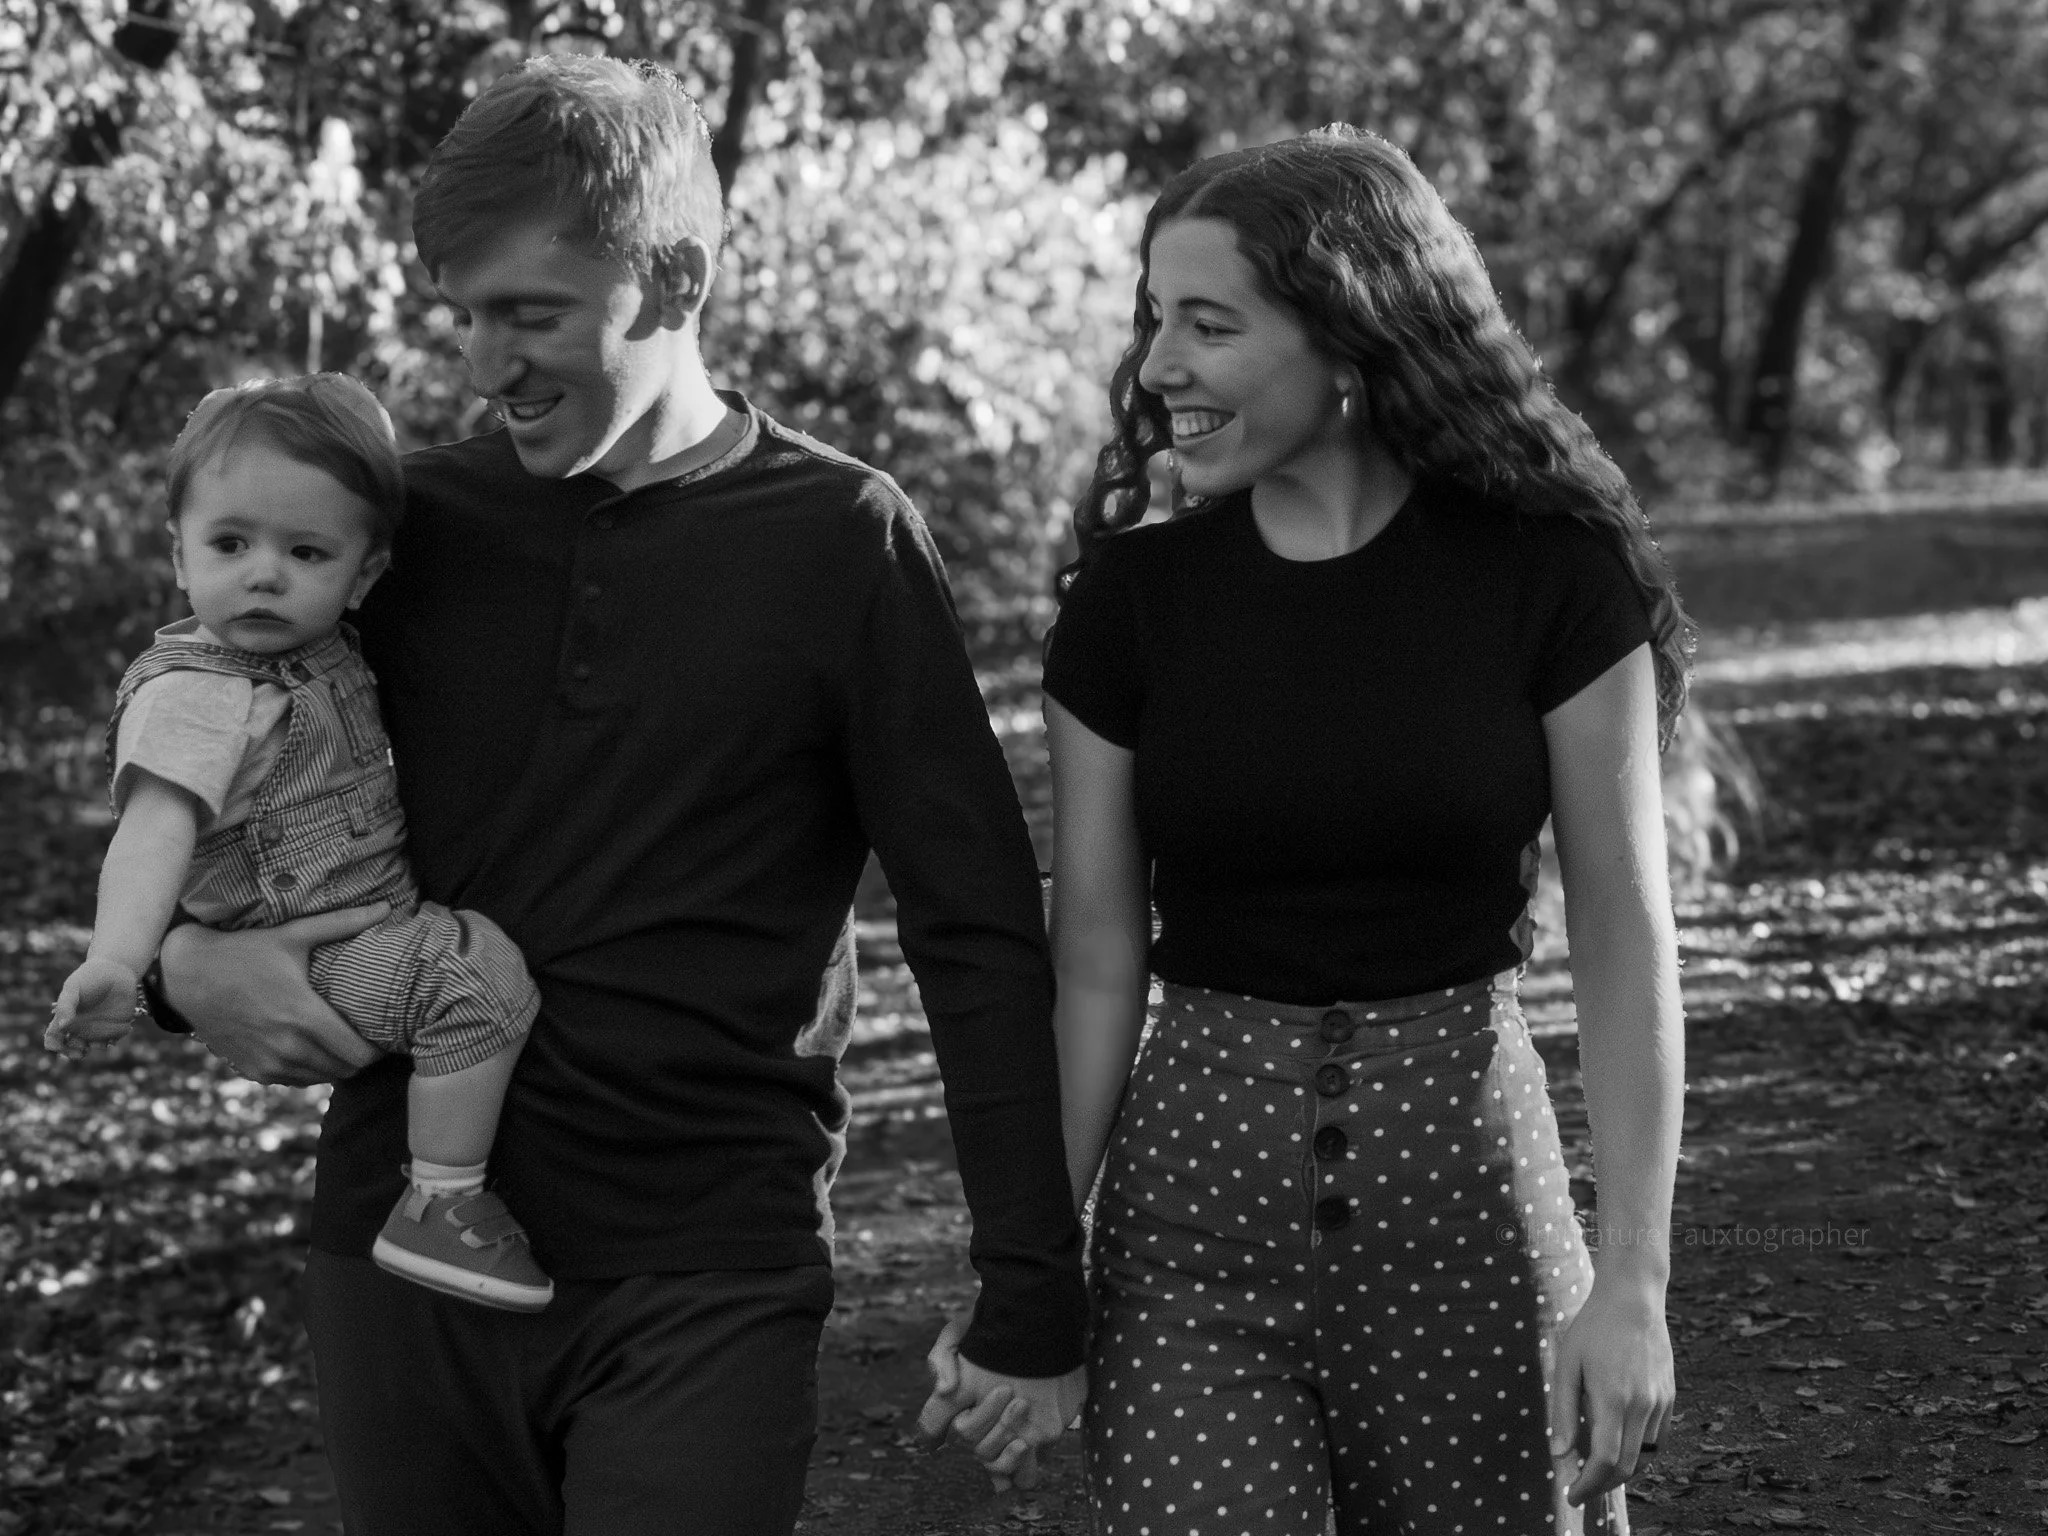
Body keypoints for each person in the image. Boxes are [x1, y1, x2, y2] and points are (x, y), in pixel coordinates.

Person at [146, 55, 1085, 1535]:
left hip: (706, 1267)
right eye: (466, 317)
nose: (481, 366)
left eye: (530, 315)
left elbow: (971, 928)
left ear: (677, 277)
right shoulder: (405, 538)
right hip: (399, 1253)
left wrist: (1034, 1279)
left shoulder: (842, 539)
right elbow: (194, 763)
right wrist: (171, 967)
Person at [1036, 126, 1685, 1534]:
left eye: (1210, 324)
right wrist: (1030, 1271)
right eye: (1156, 320)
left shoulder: (1553, 580)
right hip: (1187, 1238)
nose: (1158, 368)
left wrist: (1632, 1283)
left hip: (1472, 1216)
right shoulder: (1129, 607)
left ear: (1353, 335)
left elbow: (1628, 944)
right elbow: (1092, 961)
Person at [48, 375, 553, 1314]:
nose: (264, 574)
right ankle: (442, 1202)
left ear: (362, 576)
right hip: (321, 956)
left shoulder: (313, 650)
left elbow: (350, 433)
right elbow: (153, 831)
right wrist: (120, 960)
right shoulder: (204, 695)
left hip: (352, 922)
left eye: (305, 551)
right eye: (229, 544)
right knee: (481, 983)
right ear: (179, 554)